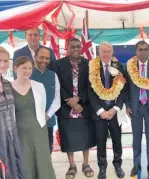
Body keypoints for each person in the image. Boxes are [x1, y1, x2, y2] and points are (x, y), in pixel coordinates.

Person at [53, 38, 96, 179]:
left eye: (78, 46)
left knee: (85, 135)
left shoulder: (89, 64)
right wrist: (71, 102)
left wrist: (79, 100)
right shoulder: (58, 64)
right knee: (68, 137)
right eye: (73, 47)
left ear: (82, 47)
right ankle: (72, 165)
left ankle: (85, 163)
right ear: (67, 48)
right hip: (66, 107)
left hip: (83, 107)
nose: (76, 49)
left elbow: (91, 85)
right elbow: (57, 85)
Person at [12, 56, 56, 179]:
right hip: (20, 132)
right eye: (24, 68)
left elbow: (42, 106)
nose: (27, 71)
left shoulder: (39, 86)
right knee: (25, 162)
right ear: (15, 68)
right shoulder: (8, 88)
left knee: (42, 161)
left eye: (30, 68)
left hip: (38, 130)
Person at [0, 46, 25, 179]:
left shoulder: (8, 84)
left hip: (11, 135)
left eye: (6, 61)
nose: (2, 64)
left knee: (14, 169)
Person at [125, 41, 149, 177]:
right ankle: (136, 164)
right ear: (136, 51)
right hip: (135, 108)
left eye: (146, 49)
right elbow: (126, 89)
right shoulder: (129, 67)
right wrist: (128, 106)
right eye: (140, 49)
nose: (143, 52)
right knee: (136, 138)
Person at [88, 41, 127, 179]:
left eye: (108, 51)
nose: (106, 54)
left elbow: (123, 90)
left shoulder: (119, 66)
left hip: (115, 111)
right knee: (101, 141)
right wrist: (100, 111)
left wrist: (115, 109)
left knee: (117, 140)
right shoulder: (92, 67)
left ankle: (118, 165)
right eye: (103, 51)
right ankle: (102, 168)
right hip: (99, 113)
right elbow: (90, 92)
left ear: (112, 52)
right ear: (99, 52)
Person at [30, 47, 60, 153]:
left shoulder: (53, 75)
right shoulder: (28, 74)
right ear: (35, 57)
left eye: (47, 58)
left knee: (47, 150)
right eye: (41, 57)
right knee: (33, 151)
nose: (44, 61)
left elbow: (57, 98)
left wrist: (49, 114)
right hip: (31, 121)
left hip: (48, 120)